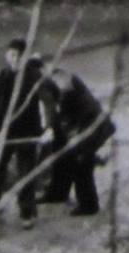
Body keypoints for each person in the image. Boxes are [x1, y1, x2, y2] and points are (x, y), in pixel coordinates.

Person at [0, 39, 46, 226]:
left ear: (26, 57)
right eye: (12, 55)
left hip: (28, 131)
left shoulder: (34, 76)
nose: (15, 59)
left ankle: (27, 213)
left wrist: (48, 127)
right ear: (6, 56)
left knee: (26, 173)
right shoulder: (0, 76)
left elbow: (48, 100)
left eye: (19, 56)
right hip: (4, 131)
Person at [42, 66, 113, 217]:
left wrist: (62, 131)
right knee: (61, 155)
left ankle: (89, 206)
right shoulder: (58, 81)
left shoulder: (65, 86)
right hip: (81, 123)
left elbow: (71, 114)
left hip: (92, 128)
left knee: (82, 164)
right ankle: (58, 193)